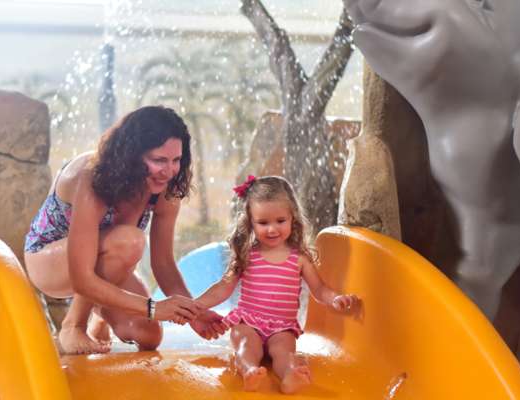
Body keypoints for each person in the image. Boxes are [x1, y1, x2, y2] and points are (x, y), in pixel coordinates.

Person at [23, 106, 226, 355]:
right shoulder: (92, 176)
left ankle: (100, 315)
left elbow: (163, 264)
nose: (169, 170)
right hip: (51, 263)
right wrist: (153, 307)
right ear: (132, 156)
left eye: (176, 160)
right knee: (129, 241)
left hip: (104, 264)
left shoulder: (164, 186)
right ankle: (72, 325)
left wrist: (194, 313)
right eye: (159, 160)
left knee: (149, 334)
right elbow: (81, 277)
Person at [195, 175, 360, 394]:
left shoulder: (299, 258)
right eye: (263, 223)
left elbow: (318, 289)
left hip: (282, 327)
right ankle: (250, 372)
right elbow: (223, 287)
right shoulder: (247, 254)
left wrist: (335, 298)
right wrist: (195, 305)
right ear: (250, 222)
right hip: (248, 322)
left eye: (280, 221)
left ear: (293, 217)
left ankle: (290, 377)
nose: (272, 229)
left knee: (284, 352)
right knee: (246, 345)